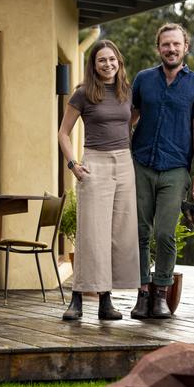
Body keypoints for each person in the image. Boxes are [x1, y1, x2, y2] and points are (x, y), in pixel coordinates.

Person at [129, 23, 194, 320]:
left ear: (185, 47)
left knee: (164, 233)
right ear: (158, 48)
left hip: (176, 169)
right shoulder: (143, 80)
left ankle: (161, 294)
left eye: (176, 44)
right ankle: (142, 293)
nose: (171, 49)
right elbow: (129, 117)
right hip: (141, 164)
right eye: (166, 45)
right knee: (139, 232)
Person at [58, 40, 139, 321]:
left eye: (112, 59)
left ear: (119, 61)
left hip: (124, 164)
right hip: (94, 163)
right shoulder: (83, 94)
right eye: (102, 60)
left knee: (118, 233)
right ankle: (77, 299)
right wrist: (73, 164)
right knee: (91, 233)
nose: (108, 64)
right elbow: (63, 133)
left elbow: (131, 121)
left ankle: (107, 301)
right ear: (93, 65)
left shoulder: (127, 92)